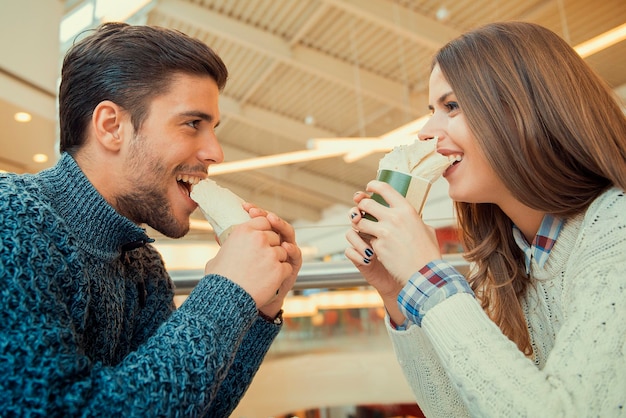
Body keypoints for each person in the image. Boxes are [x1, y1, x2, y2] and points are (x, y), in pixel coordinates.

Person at [0, 22, 302, 417]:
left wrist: (263, 304)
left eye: (213, 129)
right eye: (193, 124)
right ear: (112, 126)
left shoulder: (143, 266)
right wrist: (227, 290)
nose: (215, 153)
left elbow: (190, 408)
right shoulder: (13, 223)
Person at [346, 21, 626, 417]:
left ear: (522, 110)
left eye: (451, 106)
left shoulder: (617, 230)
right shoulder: (522, 256)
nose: (426, 131)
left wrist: (428, 275)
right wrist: (398, 291)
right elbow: (462, 410)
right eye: (432, 111)